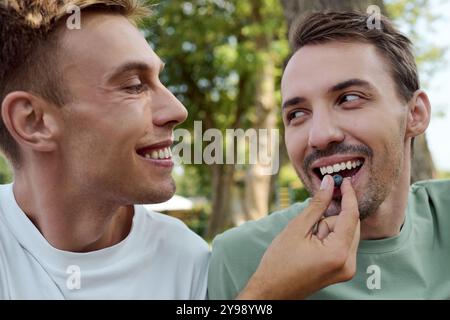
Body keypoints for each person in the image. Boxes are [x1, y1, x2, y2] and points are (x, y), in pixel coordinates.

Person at [0, 0, 360, 299]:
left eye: (159, 80)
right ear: (33, 122)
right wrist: (265, 295)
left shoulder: (185, 260)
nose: (177, 110)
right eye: (132, 86)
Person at [207, 11, 450, 300]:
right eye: (297, 114)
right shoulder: (239, 256)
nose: (319, 136)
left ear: (415, 114)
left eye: (349, 98)